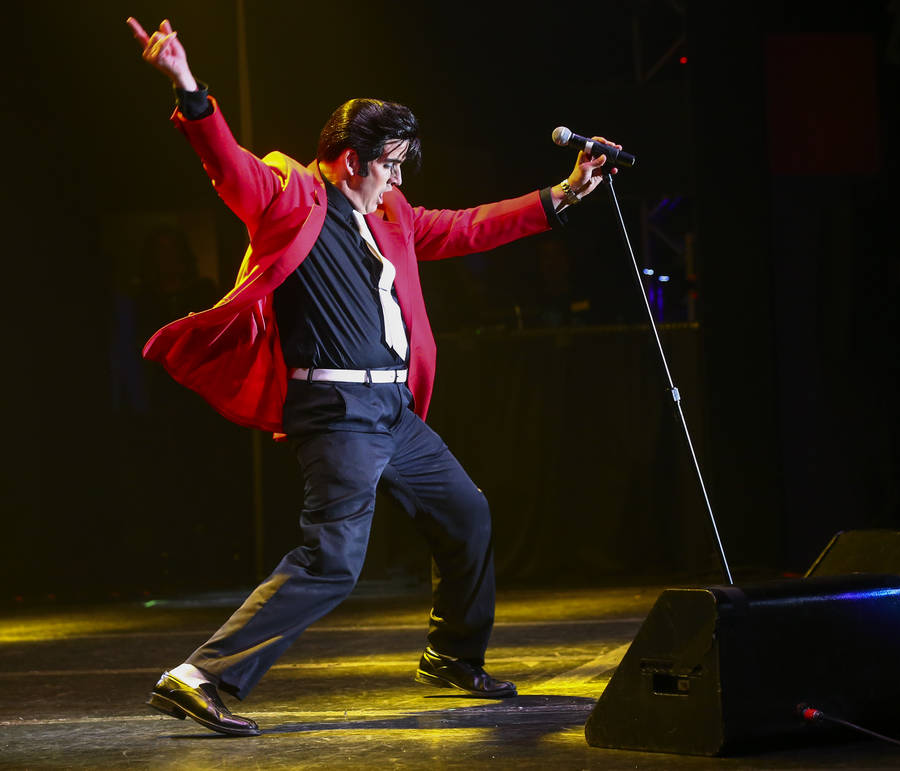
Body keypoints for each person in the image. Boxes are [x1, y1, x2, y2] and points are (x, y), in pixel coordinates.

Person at [126, 17, 618, 737]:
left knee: (466, 513)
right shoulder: (292, 195)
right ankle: (200, 674)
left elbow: (467, 226)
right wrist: (188, 85)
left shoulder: (389, 214)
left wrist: (564, 194)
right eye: (389, 162)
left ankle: (452, 656)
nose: (397, 176)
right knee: (333, 555)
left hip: (394, 411)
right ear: (351, 159)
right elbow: (227, 163)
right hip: (337, 407)